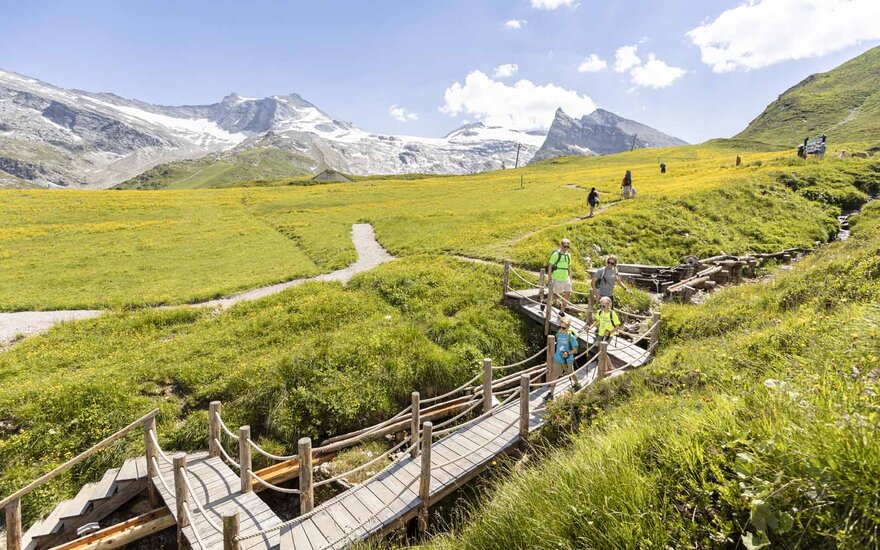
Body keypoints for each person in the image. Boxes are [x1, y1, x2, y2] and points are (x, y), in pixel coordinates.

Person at [544, 316, 580, 403]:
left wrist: (568, 353)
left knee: (571, 374)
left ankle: (576, 383)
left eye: (563, 327)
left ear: (568, 327)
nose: (561, 329)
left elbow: (575, 349)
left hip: (568, 360)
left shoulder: (571, 337)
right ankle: (551, 394)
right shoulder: (558, 334)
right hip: (558, 359)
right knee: (554, 375)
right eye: (560, 327)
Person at [591, 297, 620, 375]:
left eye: (604, 306)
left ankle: (608, 368)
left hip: (608, 335)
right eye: (601, 306)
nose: (602, 308)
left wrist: (609, 332)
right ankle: (608, 367)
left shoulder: (612, 314)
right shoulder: (600, 312)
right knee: (601, 351)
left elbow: (617, 326)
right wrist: (590, 327)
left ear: (609, 305)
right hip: (601, 334)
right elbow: (597, 321)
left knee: (602, 351)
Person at [546, 238, 573, 316]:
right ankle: (545, 301)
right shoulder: (555, 254)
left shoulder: (568, 255)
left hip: (566, 277)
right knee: (557, 295)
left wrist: (570, 279)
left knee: (568, 294)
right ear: (561, 245)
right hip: (557, 277)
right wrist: (550, 278)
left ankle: (561, 311)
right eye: (565, 246)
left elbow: (569, 267)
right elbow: (550, 266)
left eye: (568, 247)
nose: (566, 248)